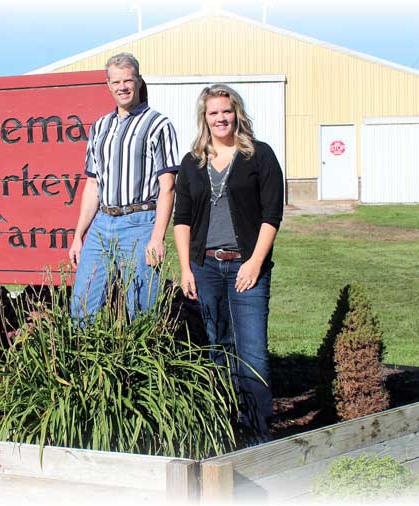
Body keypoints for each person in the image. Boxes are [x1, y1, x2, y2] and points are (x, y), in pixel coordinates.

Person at [173, 84, 284, 445]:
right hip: (205, 269)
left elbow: (271, 215)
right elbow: (183, 219)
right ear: (204, 118)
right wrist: (187, 268)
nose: (220, 118)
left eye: (226, 111)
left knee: (251, 352)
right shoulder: (193, 162)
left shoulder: (260, 156)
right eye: (213, 113)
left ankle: (256, 436)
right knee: (215, 350)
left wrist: (254, 263)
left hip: (246, 267)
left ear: (237, 113)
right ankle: (222, 430)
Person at [68, 53, 179, 319]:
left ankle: (142, 359)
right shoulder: (100, 127)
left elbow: (168, 187)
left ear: (138, 82)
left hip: (140, 222)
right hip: (102, 223)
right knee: (82, 305)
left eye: (128, 80)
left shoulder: (158, 125)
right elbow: (93, 185)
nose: (123, 87)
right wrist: (78, 236)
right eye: (116, 82)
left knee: (141, 307)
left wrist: (157, 236)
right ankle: (87, 358)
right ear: (108, 85)